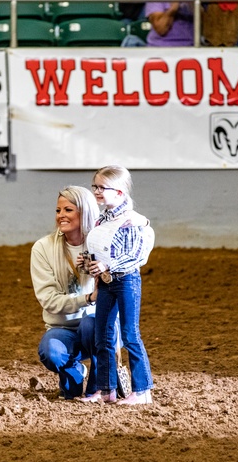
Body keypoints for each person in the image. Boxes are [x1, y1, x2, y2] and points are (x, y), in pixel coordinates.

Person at [79, 165, 155, 406]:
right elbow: (101, 251)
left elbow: (135, 255)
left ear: (120, 192)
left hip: (126, 281)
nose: (97, 191)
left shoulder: (131, 220)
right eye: (95, 187)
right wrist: (88, 263)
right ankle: (106, 389)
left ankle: (142, 390)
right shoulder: (103, 220)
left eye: (102, 187)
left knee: (130, 334)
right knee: (103, 336)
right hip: (108, 283)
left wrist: (106, 267)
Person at [30, 186, 107, 400]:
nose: (61, 216)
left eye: (68, 210)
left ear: (85, 212)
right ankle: (75, 371)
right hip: (62, 327)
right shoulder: (42, 248)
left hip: (96, 326)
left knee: (91, 325)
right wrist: (89, 298)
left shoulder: (103, 245)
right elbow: (48, 300)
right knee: (51, 352)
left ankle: (99, 384)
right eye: (58, 210)